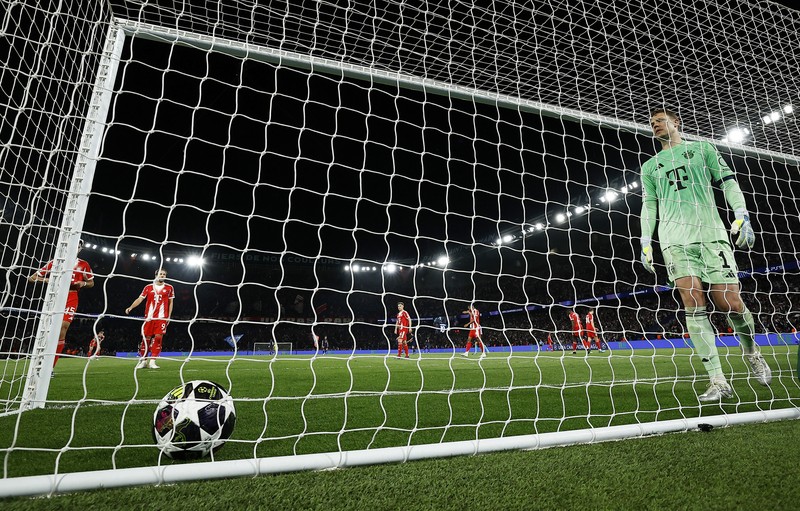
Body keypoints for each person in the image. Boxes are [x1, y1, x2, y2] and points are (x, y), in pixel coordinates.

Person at [639, 107, 771, 402]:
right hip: (674, 240)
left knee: (729, 302)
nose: (655, 126)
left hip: (711, 234)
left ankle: (751, 352)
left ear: (676, 122)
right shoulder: (650, 167)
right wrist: (646, 241)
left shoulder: (702, 149)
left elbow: (728, 182)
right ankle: (717, 379)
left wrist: (741, 214)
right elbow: (649, 207)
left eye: (659, 121)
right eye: (651, 124)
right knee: (691, 300)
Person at [28, 239, 94, 369]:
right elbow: (32, 277)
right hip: (55, 296)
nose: (76, 248)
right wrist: (48, 280)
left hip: (72, 296)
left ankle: (50, 367)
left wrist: (83, 283)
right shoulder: (56, 262)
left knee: (62, 328)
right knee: (48, 330)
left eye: (78, 246)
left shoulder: (83, 264)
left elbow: (92, 282)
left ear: (80, 249)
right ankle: (40, 360)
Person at [125, 268, 174, 369]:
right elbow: (140, 299)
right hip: (149, 317)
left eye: (164, 274)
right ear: (156, 275)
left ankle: (153, 361)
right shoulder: (148, 287)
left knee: (158, 338)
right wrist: (131, 307)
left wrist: (168, 316)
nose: (162, 276)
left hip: (161, 317)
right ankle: (143, 360)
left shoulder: (169, 288)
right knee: (146, 339)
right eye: (160, 274)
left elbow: (170, 303)